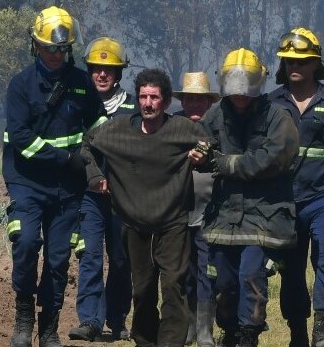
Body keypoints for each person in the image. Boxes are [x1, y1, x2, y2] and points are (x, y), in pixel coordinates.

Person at [81, 68, 208, 347]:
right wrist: (95, 176)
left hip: (173, 223)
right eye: (143, 97)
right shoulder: (118, 130)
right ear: (137, 99)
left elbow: (211, 144)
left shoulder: (182, 129)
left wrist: (201, 156)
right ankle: (146, 341)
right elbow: (86, 145)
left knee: (174, 287)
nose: (148, 103)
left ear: (164, 101)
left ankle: (171, 342)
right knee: (143, 290)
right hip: (135, 224)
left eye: (154, 97)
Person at [3, 6, 107, 347]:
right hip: (28, 182)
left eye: (63, 49)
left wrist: (97, 162)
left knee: (59, 258)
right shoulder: (20, 86)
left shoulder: (80, 84)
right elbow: (20, 138)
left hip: (67, 189)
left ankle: (48, 328)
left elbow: (99, 126)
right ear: (36, 46)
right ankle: (22, 317)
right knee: (28, 242)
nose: (57, 55)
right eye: (51, 48)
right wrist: (66, 159)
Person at [190, 48, 299, 347]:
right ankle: (230, 329)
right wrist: (199, 154)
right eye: (234, 87)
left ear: (257, 83)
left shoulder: (278, 117)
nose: (239, 94)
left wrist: (226, 163)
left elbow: (274, 159)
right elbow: (203, 143)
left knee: (251, 275)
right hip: (224, 215)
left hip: (264, 215)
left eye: (245, 87)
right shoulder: (216, 115)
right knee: (223, 282)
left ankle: (249, 334)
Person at [269, 28, 324, 347]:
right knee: (290, 270)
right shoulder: (270, 103)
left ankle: (323, 330)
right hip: (283, 201)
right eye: (290, 60)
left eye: (303, 61)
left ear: (316, 64)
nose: (296, 66)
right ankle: (298, 332)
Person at [69, 37, 135, 342]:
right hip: (89, 196)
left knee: (122, 260)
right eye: (96, 68)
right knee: (90, 255)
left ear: (119, 73)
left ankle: (118, 318)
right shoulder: (78, 105)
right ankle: (91, 321)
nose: (102, 74)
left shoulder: (135, 107)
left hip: (124, 198)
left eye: (109, 69)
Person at [174, 72, 222, 347]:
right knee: (182, 272)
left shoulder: (217, 128)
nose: (194, 105)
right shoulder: (172, 127)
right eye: (189, 99)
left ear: (208, 102)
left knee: (207, 271)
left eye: (199, 100)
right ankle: (188, 325)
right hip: (178, 214)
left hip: (209, 214)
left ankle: (205, 331)